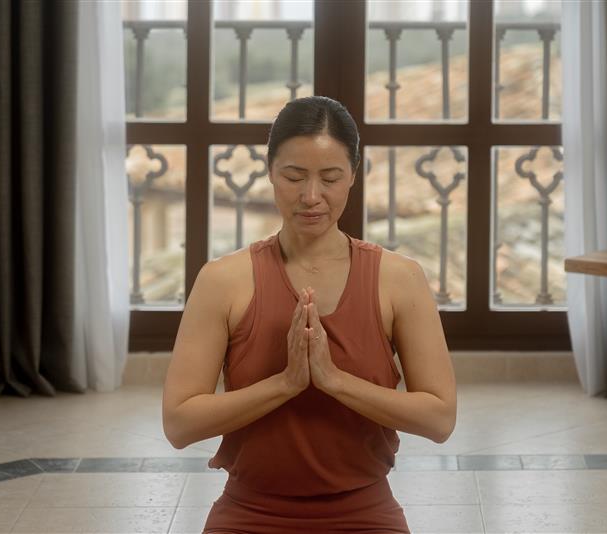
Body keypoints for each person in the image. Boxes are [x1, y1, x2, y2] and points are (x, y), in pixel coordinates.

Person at [162, 96, 456, 533]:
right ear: (270, 173)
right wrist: (286, 384)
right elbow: (179, 423)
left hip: (364, 512)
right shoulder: (223, 281)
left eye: (331, 178)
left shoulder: (400, 279)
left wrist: (334, 381)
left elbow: (439, 418)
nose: (311, 196)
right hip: (250, 513)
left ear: (354, 176)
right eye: (294, 177)